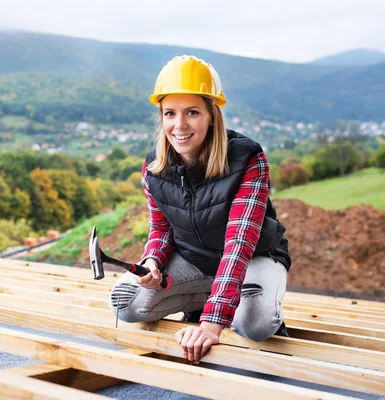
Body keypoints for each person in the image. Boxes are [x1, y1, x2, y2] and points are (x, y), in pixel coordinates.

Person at [109, 55, 291, 364]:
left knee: (255, 323)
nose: (179, 125)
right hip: (194, 258)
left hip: (253, 257)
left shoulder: (248, 159)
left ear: (212, 115)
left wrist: (210, 325)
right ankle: (212, 297)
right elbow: (162, 228)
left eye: (192, 112)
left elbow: (238, 246)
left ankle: (231, 302)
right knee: (126, 303)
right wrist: (152, 261)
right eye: (170, 113)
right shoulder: (154, 167)